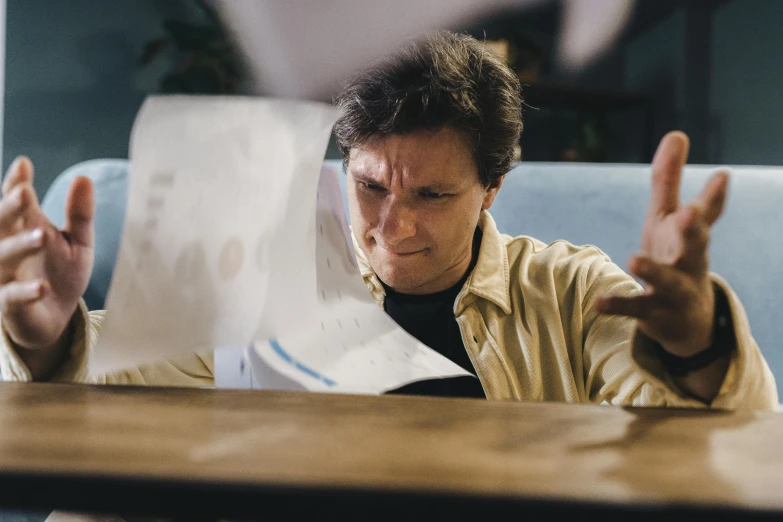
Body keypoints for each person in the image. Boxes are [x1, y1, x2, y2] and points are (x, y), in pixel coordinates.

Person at [0, 31, 776, 409]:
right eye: (370, 185)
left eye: (432, 196)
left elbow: (714, 426)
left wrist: (694, 340)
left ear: (493, 189)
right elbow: (118, 376)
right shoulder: (274, 282)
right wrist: (48, 332)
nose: (390, 227)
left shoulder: (569, 290)